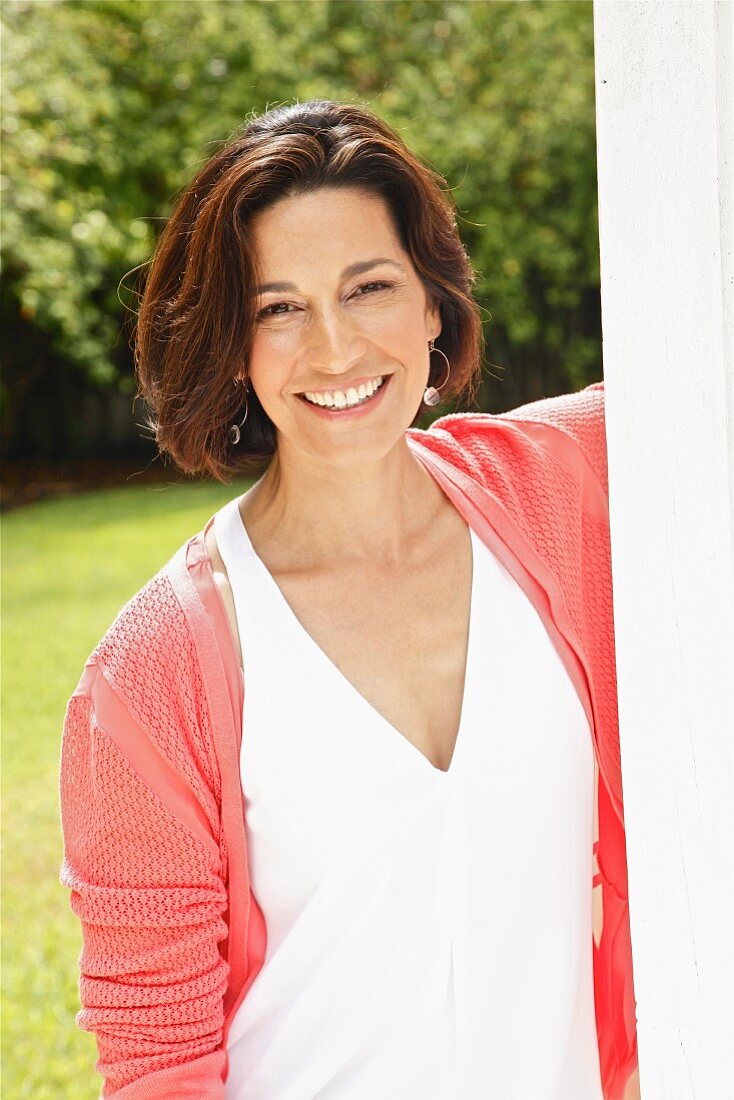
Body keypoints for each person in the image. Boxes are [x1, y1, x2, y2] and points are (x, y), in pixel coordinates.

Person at [58, 99, 639, 1099]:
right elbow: (156, 1055)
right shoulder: (160, 664)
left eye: (367, 286)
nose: (332, 347)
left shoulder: (557, 489)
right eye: (278, 306)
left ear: (430, 305)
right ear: (235, 344)